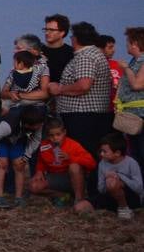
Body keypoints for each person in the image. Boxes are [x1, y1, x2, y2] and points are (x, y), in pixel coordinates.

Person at [48, 22, 115, 169]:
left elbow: (84, 85)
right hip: (90, 114)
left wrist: (59, 89)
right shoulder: (93, 54)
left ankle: (88, 188)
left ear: (76, 39)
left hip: (84, 116)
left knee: (84, 152)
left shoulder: (85, 57)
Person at [0, 105, 46, 209]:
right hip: (2, 140)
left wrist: (26, 156)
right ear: (28, 125)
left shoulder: (38, 123)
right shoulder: (8, 124)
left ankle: (19, 197)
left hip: (18, 139)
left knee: (19, 164)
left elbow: (36, 140)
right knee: (2, 164)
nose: (40, 126)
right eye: (37, 125)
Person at [30, 118, 95, 208]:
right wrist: (39, 170)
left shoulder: (73, 145)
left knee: (74, 166)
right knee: (34, 186)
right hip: (55, 177)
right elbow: (41, 160)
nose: (55, 138)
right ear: (47, 136)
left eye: (58, 134)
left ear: (64, 132)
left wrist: (70, 158)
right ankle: (62, 195)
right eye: (51, 135)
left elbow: (92, 163)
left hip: (74, 178)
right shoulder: (44, 145)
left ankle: (79, 199)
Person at [75, 132, 141, 220]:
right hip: (109, 196)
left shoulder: (131, 163)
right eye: (101, 151)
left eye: (105, 151)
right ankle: (106, 212)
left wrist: (120, 178)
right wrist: (107, 180)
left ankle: (124, 209)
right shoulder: (103, 163)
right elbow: (101, 189)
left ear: (117, 153)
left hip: (129, 198)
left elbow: (139, 188)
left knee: (112, 181)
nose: (101, 154)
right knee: (79, 207)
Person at [118, 27, 144, 164]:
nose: (126, 45)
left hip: (140, 116)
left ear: (135, 43)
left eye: (128, 41)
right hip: (132, 115)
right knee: (135, 152)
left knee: (141, 151)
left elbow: (137, 85)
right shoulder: (135, 61)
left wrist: (126, 69)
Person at [42, 13, 73, 82]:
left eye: (51, 30)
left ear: (62, 32)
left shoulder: (71, 53)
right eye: (46, 29)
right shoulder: (38, 51)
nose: (47, 33)